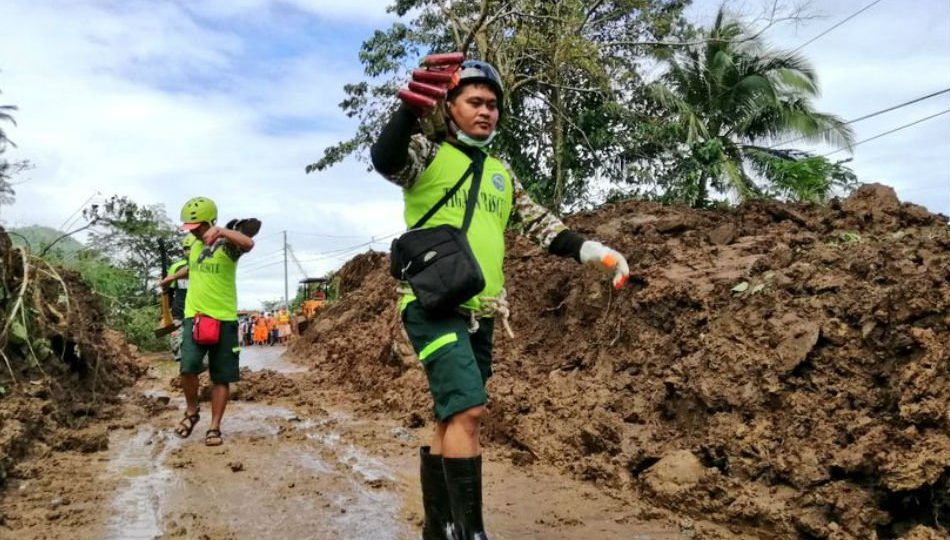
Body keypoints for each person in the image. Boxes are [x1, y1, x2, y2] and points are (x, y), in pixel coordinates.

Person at [370, 57, 629, 540]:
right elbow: (387, 159)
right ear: (450, 106)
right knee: (469, 409)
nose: (486, 111)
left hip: (482, 313)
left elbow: (541, 225)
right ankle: (471, 533)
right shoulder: (427, 155)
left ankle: (440, 525)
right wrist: (407, 111)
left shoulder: (501, 174)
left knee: (451, 413)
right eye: (475, 101)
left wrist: (595, 251)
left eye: (493, 105)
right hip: (430, 305)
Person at [159, 196, 254, 447]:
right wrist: (170, 279)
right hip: (195, 317)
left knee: (220, 377)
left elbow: (249, 243)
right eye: (190, 230)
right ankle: (192, 411)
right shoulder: (194, 245)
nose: (194, 234)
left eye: (198, 228)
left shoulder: (227, 246)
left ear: (210, 222)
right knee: (187, 367)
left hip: (224, 319)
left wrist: (223, 231)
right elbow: (192, 267)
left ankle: (214, 427)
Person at [165, 235, 194, 362]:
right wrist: (166, 312)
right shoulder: (176, 267)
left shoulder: (203, 267)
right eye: (185, 248)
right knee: (178, 344)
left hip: (196, 312)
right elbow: (169, 292)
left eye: (190, 248)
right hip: (179, 311)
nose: (188, 251)